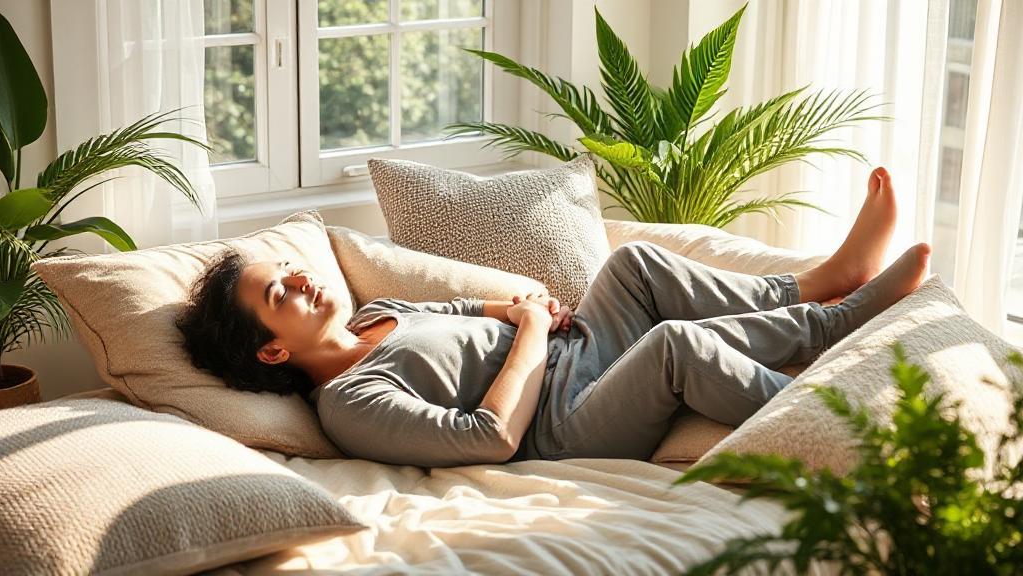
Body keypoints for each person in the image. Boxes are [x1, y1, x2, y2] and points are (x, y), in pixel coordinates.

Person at [177, 167, 931, 468]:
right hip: (561, 424)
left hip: (571, 356)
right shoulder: (349, 404)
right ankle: (830, 401)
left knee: (633, 265)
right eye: (280, 295)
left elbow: (457, 309)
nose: (302, 279)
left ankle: (822, 287)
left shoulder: (377, 313)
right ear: (272, 353)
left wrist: (516, 307)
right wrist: (533, 332)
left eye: (290, 271)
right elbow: (490, 437)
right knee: (674, 346)